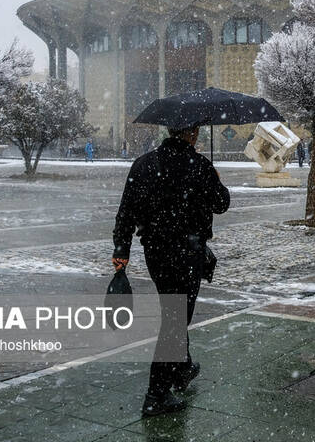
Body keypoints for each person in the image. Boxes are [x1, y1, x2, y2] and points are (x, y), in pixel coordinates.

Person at [113, 125, 230, 417]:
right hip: (187, 252)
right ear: (191, 134)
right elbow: (222, 203)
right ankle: (157, 394)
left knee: (172, 310)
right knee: (176, 322)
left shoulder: (143, 164)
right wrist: (216, 180)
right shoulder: (200, 165)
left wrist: (121, 252)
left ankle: (182, 367)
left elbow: (126, 211)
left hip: (155, 251)